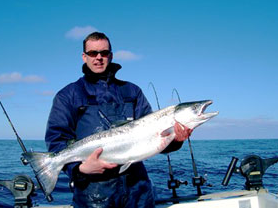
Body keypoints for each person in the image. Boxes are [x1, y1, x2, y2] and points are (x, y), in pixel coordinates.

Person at [45, 32, 192, 208]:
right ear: (84, 57)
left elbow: (154, 141)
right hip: (93, 196)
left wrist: (175, 140)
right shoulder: (68, 95)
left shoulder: (132, 91)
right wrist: (79, 169)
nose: (99, 57)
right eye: (93, 53)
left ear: (111, 55)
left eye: (104, 53)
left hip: (138, 193)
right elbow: (56, 140)